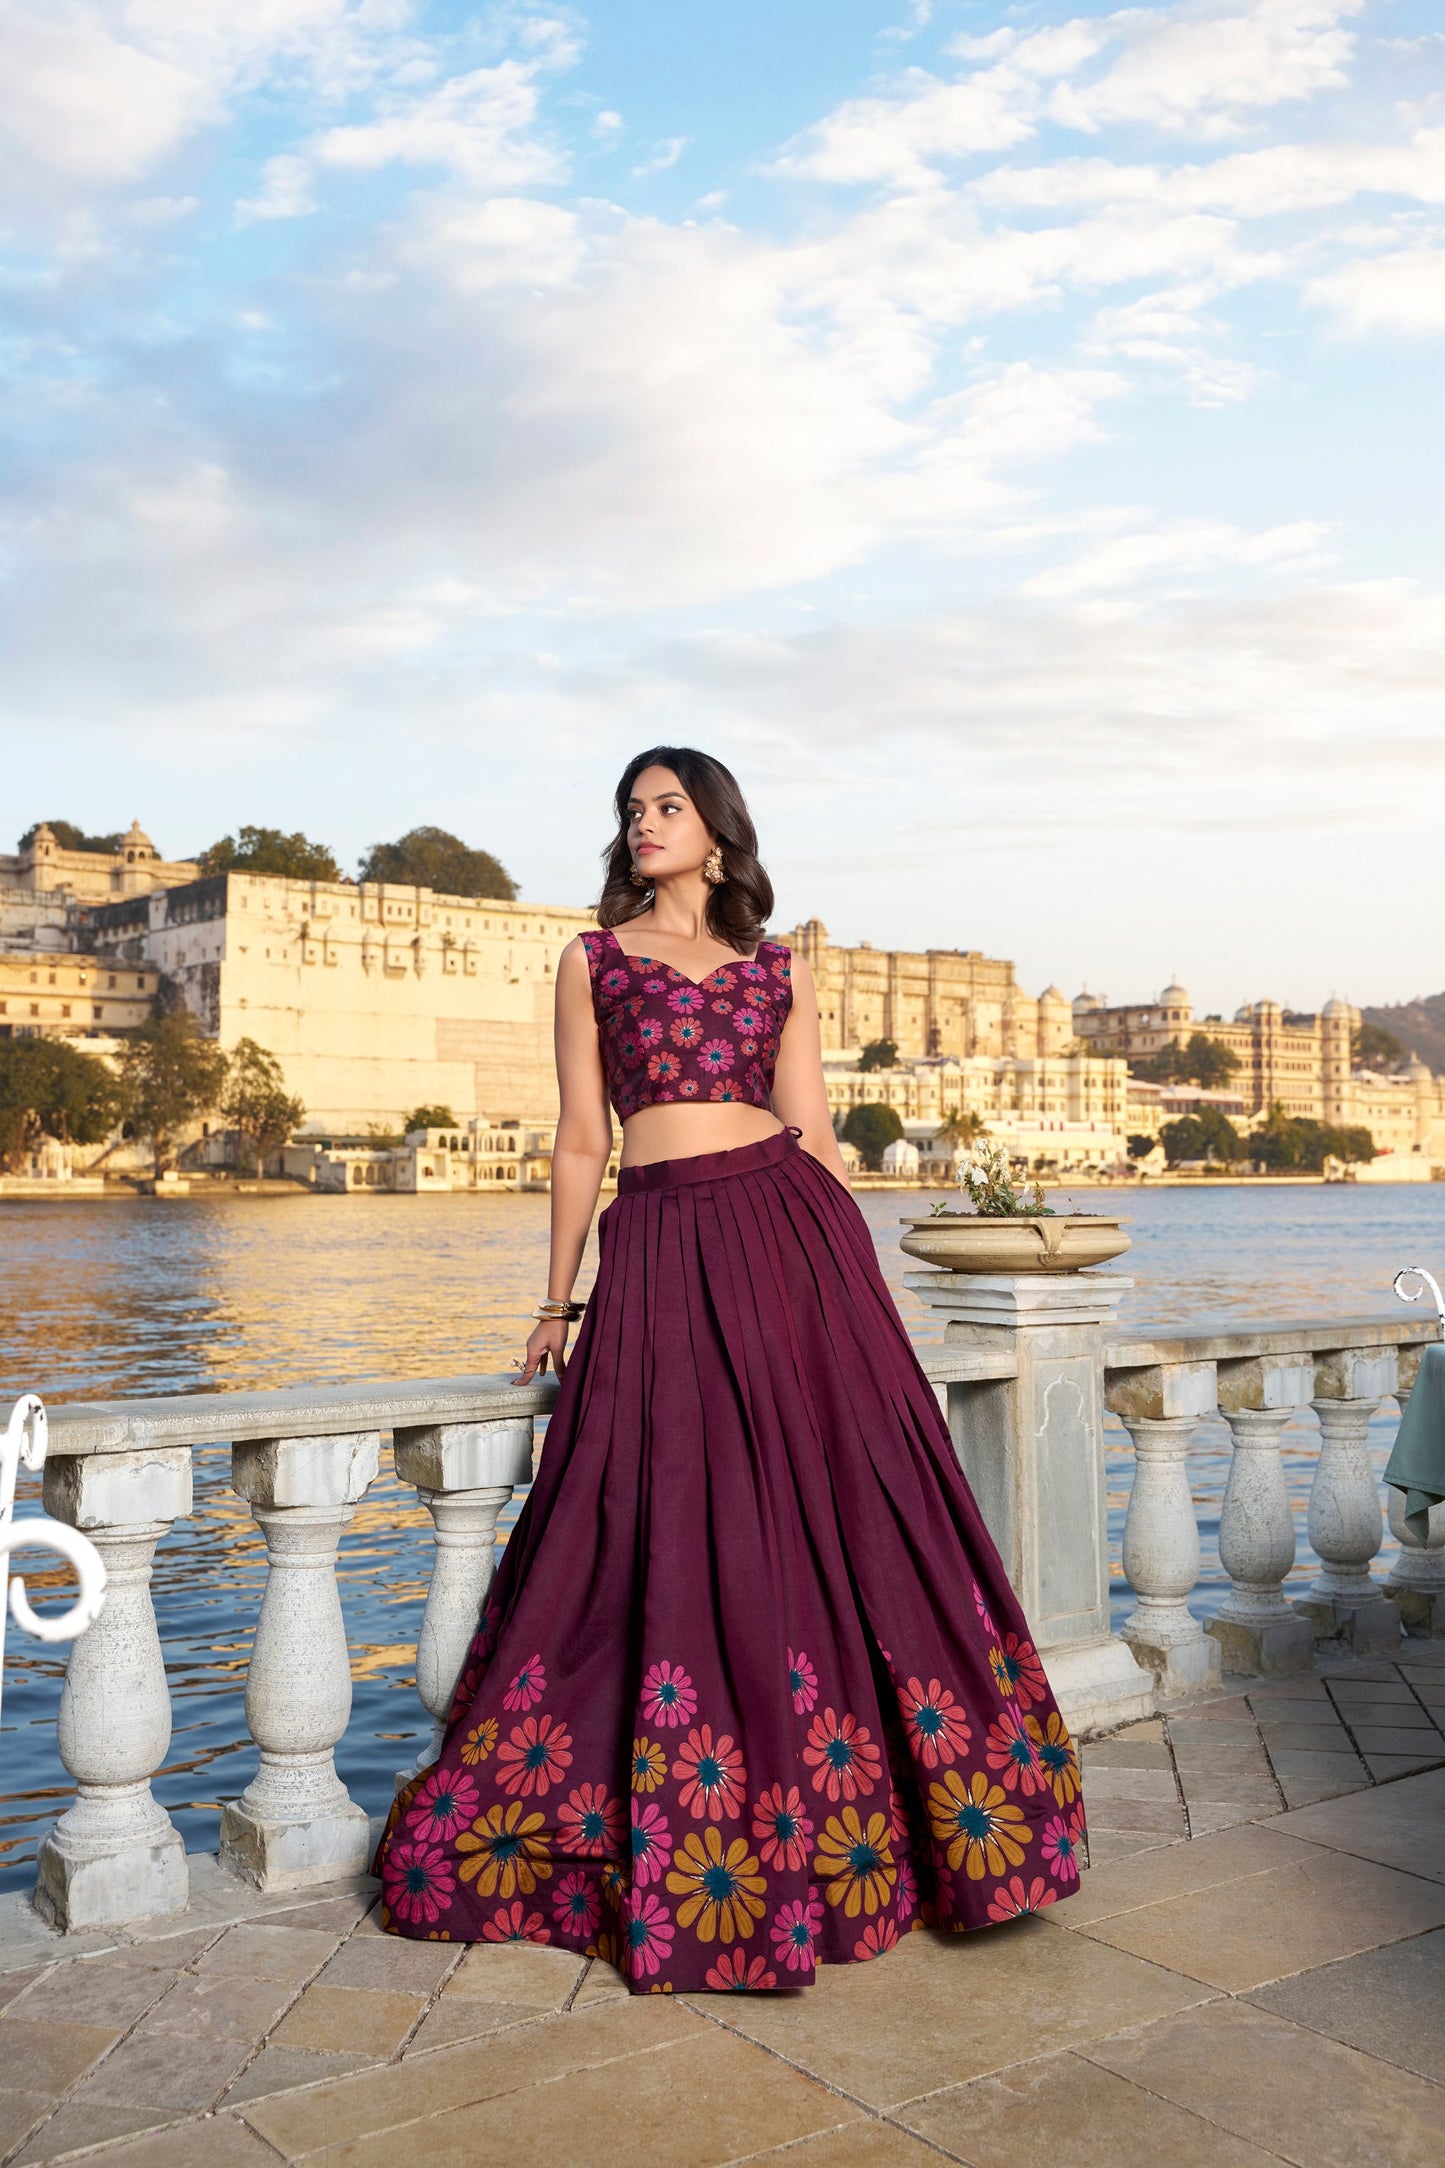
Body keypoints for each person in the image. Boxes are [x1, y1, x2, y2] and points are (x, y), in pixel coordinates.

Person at [373, 746, 1084, 1990]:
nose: (643, 824)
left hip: (791, 1238)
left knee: (848, 1509)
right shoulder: (590, 959)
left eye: (666, 807)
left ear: (715, 829)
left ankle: (927, 1830)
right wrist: (554, 1298)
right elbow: (582, 1136)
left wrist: (855, 1289)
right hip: (656, 1241)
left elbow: (807, 1129)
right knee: (656, 1510)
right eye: (631, 810)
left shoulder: (777, 966)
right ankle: (693, 1833)